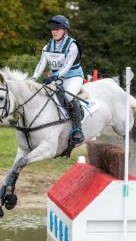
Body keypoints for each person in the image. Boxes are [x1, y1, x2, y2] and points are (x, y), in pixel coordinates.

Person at [32, 15, 85, 144]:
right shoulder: (47, 47)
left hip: (73, 77)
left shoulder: (72, 45)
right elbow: (41, 64)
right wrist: (34, 78)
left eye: (57, 29)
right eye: (52, 29)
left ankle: (77, 129)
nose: (54, 31)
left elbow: (67, 66)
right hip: (57, 78)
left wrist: (55, 76)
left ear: (64, 30)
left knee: (68, 96)